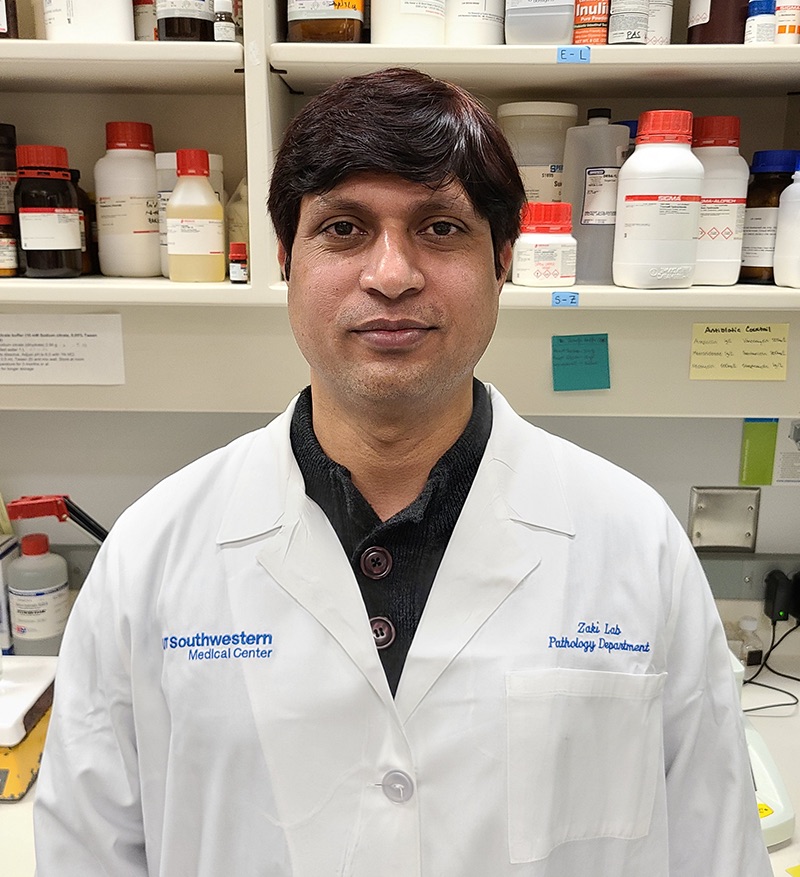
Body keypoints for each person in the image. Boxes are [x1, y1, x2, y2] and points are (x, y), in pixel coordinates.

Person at [34, 68, 770, 877]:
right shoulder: (150, 554)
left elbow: (717, 849)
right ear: (286, 261)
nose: (391, 274)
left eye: (440, 228)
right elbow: (86, 853)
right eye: (344, 228)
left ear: (503, 261)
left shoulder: (637, 545)